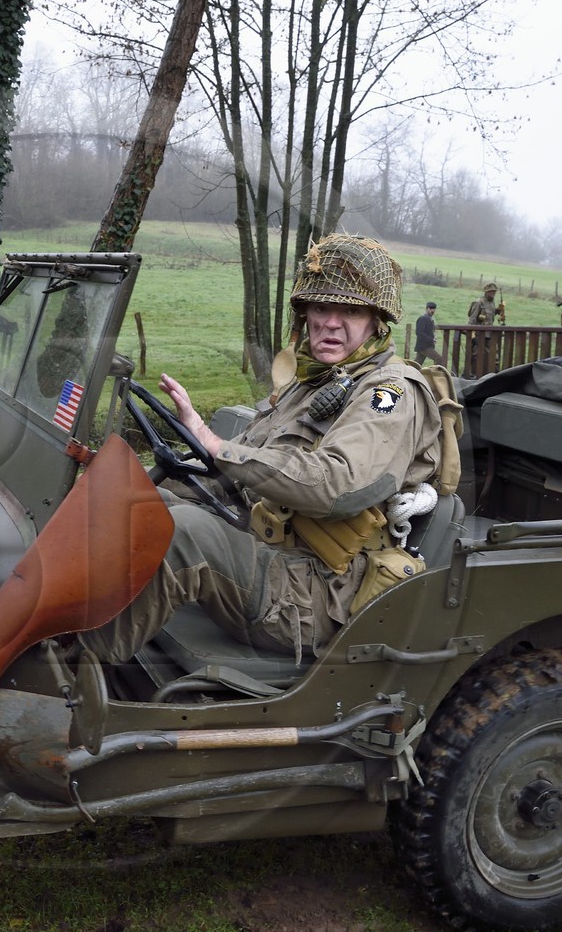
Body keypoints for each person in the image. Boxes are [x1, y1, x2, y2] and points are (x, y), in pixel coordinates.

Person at [80, 234, 443, 665]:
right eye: (322, 308)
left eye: (350, 310)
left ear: (376, 321)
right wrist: (196, 450)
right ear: (305, 313)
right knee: (131, 499)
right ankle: (55, 618)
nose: (330, 322)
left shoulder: (390, 391)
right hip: (266, 549)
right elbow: (243, 471)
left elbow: (341, 485)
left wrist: (222, 451)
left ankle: (76, 669)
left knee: (183, 533)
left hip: (315, 594)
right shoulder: (314, 382)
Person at [465, 282, 503, 375]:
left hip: (489, 333)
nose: (493, 294)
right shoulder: (479, 302)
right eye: (491, 292)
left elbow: (491, 315)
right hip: (479, 334)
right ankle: (471, 374)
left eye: (494, 292)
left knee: (494, 355)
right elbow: (472, 319)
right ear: (486, 292)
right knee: (476, 355)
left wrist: (499, 309)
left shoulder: (492, 302)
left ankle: (495, 373)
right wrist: (472, 335)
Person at [413, 301, 441, 366]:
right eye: (430, 309)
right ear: (427, 309)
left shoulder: (430, 319)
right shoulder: (423, 318)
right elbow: (419, 333)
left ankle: (408, 374)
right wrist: (431, 340)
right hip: (424, 346)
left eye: (434, 309)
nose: (432, 310)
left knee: (416, 364)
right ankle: (435, 375)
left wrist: (434, 337)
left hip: (425, 346)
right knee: (439, 359)